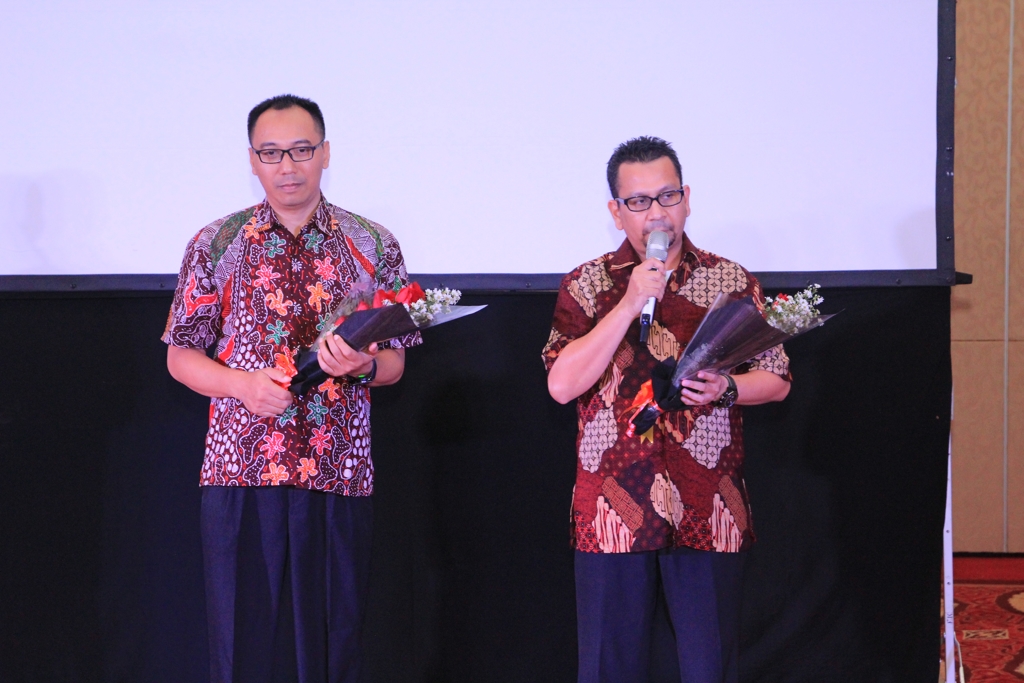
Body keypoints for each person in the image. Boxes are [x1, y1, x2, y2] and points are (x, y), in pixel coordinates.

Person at [163, 94, 420, 683]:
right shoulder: (217, 243)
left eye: (301, 150)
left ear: (325, 153)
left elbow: (395, 366)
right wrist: (241, 385)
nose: (288, 166)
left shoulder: (373, 244)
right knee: (244, 644)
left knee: (335, 645)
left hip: (338, 468)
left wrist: (359, 365)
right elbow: (180, 356)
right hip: (241, 469)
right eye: (271, 153)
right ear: (252, 160)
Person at [543, 136, 791, 683]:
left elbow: (777, 380)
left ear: (687, 199)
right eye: (639, 201)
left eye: (668, 196)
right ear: (616, 212)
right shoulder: (587, 284)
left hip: (709, 506)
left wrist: (726, 388)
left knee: (709, 668)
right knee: (609, 668)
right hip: (612, 510)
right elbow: (561, 385)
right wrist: (630, 302)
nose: (656, 213)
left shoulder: (730, 280)